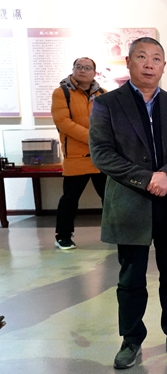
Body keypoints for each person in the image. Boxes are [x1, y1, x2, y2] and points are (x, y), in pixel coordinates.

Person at [89, 37, 167, 370]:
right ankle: (131, 339)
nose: (149, 64)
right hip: (131, 201)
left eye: (156, 58)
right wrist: (147, 178)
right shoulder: (107, 104)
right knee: (131, 278)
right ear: (129, 62)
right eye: (142, 57)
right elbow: (102, 154)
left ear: (164, 66)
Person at [51, 57, 107, 250]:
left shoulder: (103, 94)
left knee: (110, 199)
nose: (83, 70)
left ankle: (115, 232)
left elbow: (110, 121)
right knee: (70, 199)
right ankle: (63, 236)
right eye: (79, 67)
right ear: (73, 69)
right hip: (76, 157)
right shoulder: (62, 92)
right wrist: (92, 137)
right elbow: (63, 122)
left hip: (100, 156)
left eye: (87, 68)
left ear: (94, 72)